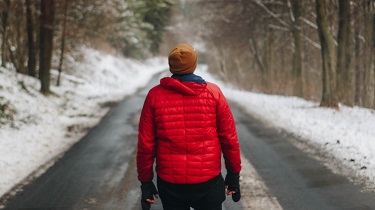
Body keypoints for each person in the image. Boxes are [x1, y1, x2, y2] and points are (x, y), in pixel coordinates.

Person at [136, 42, 241, 210]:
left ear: (171, 67)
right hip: (208, 181)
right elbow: (229, 138)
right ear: (194, 65)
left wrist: (146, 182)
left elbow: (146, 144)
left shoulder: (154, 96)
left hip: (170, 184)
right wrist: (233, 174)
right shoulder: (213, 93)